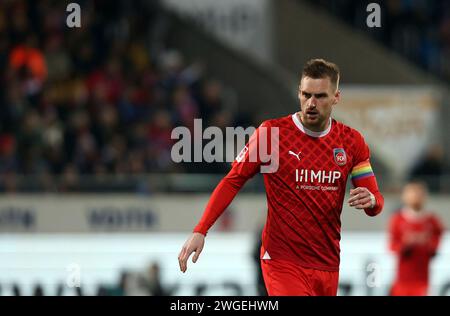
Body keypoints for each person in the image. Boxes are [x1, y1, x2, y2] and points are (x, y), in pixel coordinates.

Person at [178, 58, 384, 296]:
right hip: (281, 261)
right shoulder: (271, 134)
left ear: (336, 97)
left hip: (327, 264)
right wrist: (200, 230)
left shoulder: (351, 142)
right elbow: (233, 180)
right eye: (306, 95)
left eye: (320, 96)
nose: (311, 103)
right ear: (298, 93)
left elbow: (375, 202)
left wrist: (371, 200)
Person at [388, 181, 444, 296]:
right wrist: (406, 245)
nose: (416, 196)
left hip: (422, 279)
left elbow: (438, 236)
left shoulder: (432, 221)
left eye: (419, 193)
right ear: (405, 196)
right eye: (412, 193)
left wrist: (431, 246)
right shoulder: (397, 220)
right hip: (403, 279)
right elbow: (392, 245)